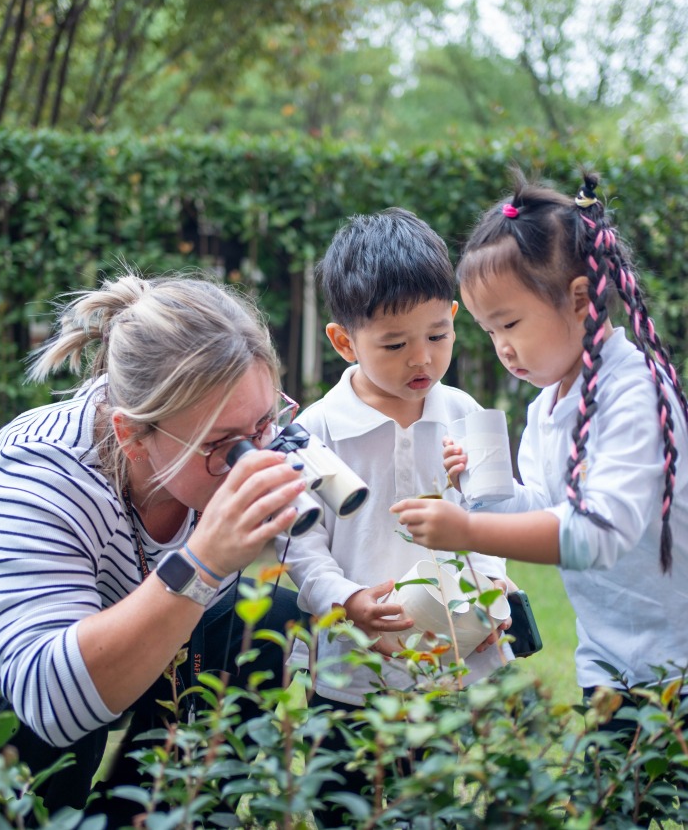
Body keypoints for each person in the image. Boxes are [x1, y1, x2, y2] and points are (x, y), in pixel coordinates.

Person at [390, 173, 688, 809]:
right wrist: (481, 490)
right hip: (612, 664)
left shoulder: (633, 394)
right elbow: (546, 512)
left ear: (580, 298)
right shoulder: (549, 404)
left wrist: (467, 531)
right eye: (487, 331)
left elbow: (593, 534)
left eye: (510, 323)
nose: (501, 348)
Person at [0, 269, 308, 822]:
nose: (253, 456)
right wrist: (202, 562)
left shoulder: (244, 438)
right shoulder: (38, 473)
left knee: (264, 624)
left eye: (266, 422)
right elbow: (46, 697)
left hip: (115, 614)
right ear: (131, 435)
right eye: (222, 445)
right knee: (63, 707)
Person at [281, 208, 511, 828]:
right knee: (340, 801)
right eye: (395, 344)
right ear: (343, 341)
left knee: (428, 804)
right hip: (351, 665)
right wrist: (347, 599)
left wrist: (490, 590)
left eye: (437, 336)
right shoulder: (317, 433)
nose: (423, 360)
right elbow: (302, 548)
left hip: (443, 656)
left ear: (455, 319)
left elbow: (500, 520)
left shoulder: (464, 412)